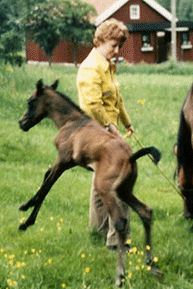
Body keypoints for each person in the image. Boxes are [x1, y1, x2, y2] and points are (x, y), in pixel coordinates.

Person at [76, 18, 134, 249]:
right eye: (113, 45)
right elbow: (92, 105)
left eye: (120, 46)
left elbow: (115, 100)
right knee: (121, 183)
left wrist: (126, 123)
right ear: (99, 41)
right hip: (96, 134)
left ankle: (98, 231)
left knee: (101, 182)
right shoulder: (91, 67)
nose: (117, 51)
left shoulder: (107, 65)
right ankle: (118, 241)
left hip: (106, 131)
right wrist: (112, 129)